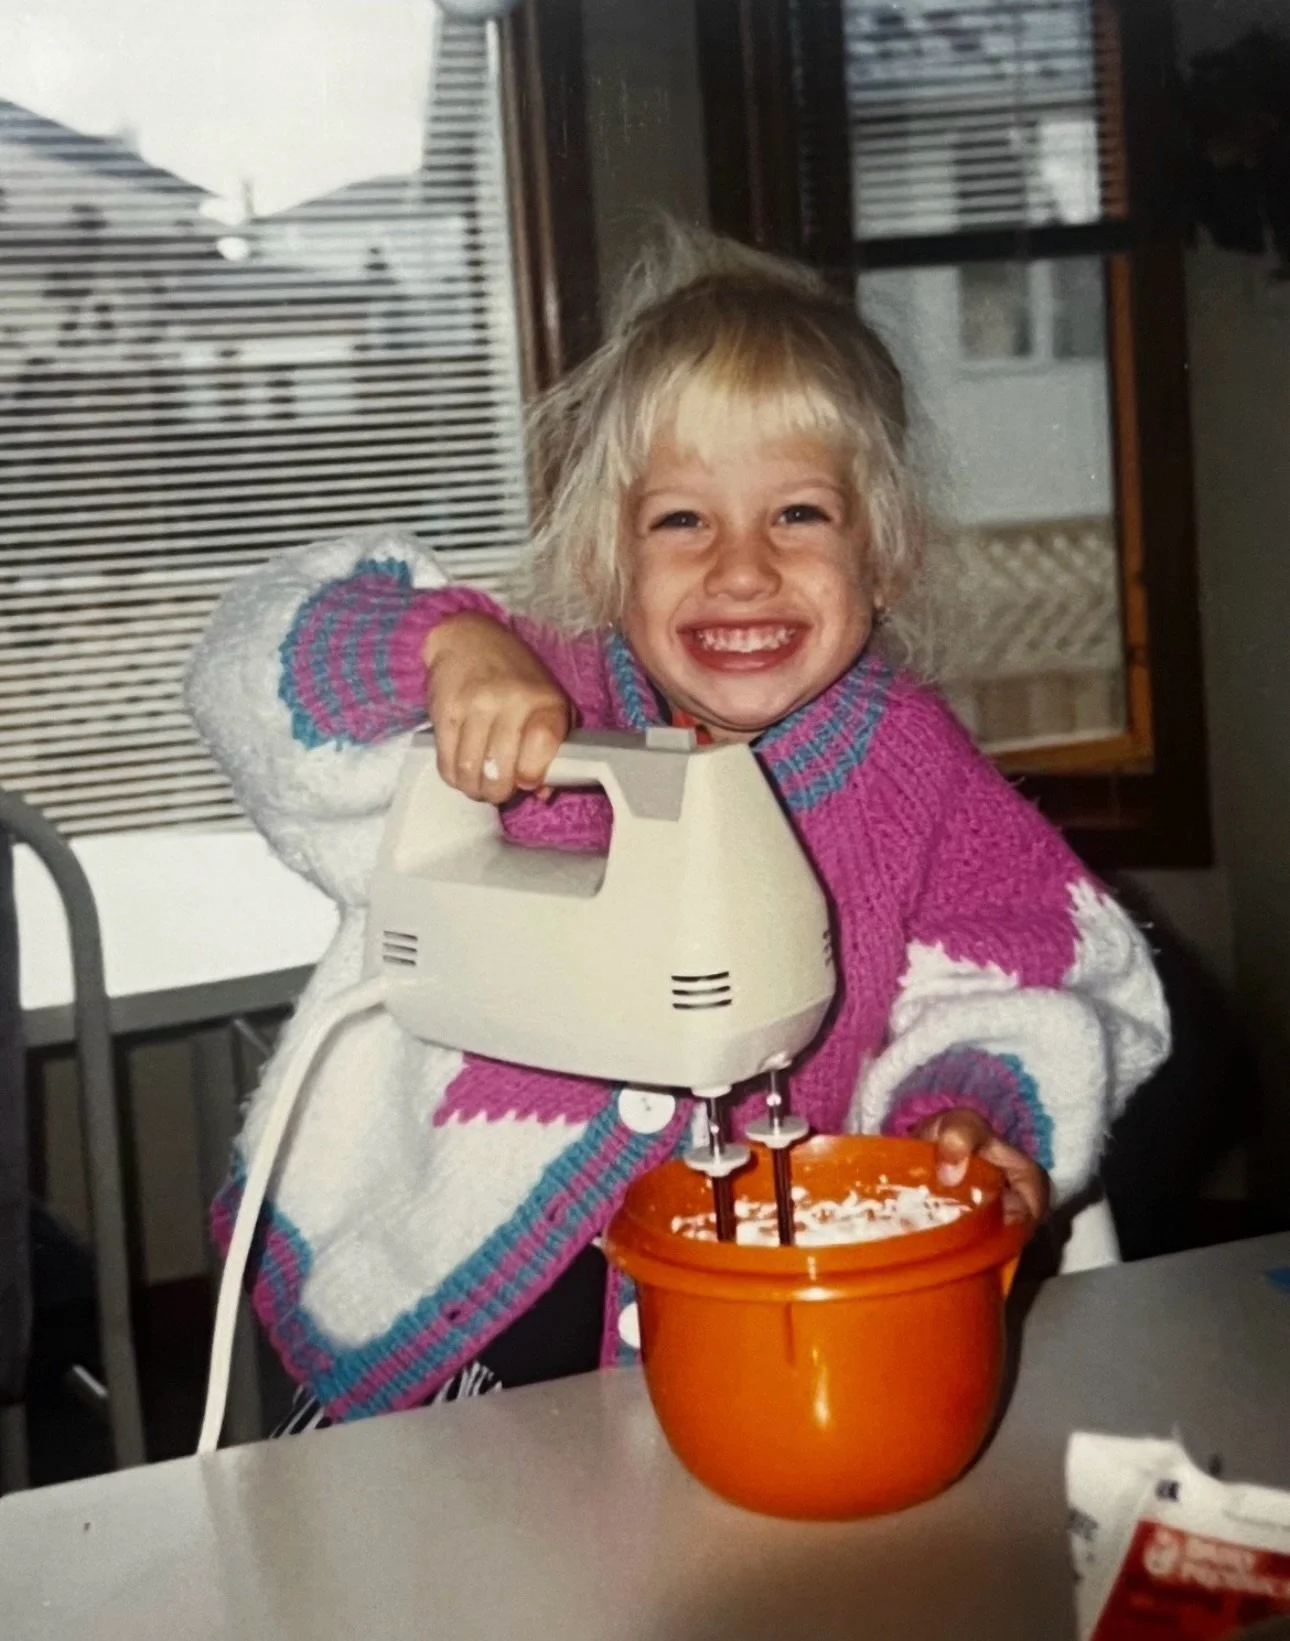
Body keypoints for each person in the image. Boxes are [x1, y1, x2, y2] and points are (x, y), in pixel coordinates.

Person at [186, 229, 1169, 1434]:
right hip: (415, 1291)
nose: (742, 569)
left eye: (799, 513)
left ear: (886, 554)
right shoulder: (527, 697)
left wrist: (961, 1115)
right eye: (681, 522)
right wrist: (441, 648)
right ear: (610, 553)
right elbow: (246, 667)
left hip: (742, 1327)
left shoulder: (922, 784)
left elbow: (1043, 979)